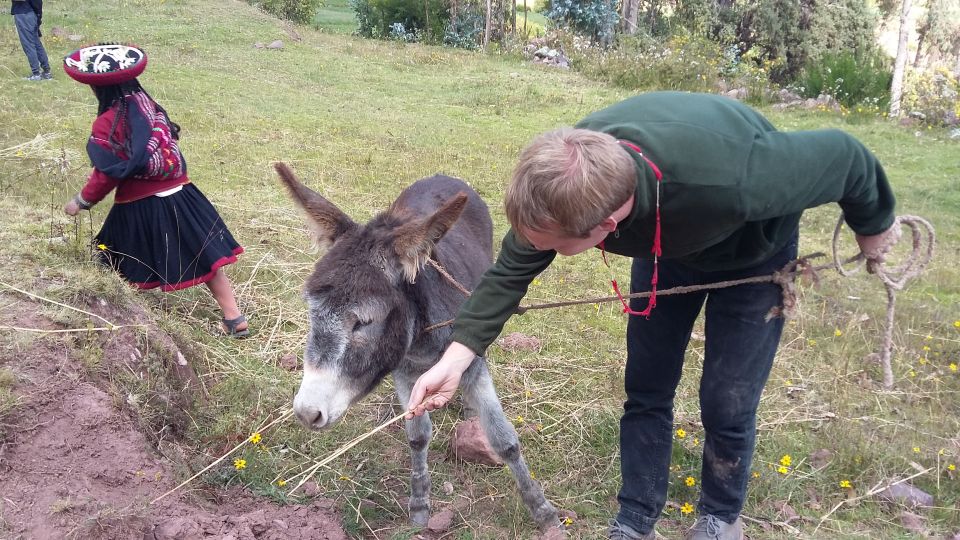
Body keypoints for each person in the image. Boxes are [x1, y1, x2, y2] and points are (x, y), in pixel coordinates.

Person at [405, 92, 899, 539]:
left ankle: (721, 517)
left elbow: (846, 156)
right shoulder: (563, 183)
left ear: (604, 228)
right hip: (665, 246)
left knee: (727, 398)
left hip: (751, 253)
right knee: (648, 384)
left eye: (545, 243)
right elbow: (510, 274)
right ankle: (636, 519)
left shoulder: (743, 180)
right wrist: (454, 360)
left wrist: (873, 226)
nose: (530, 248)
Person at [62, 44, 249, 338]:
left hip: (139, 203)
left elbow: (107, 172)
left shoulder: (108, 122)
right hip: (182, 194)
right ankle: (234, 317)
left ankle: (123, 314)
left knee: (109, 254)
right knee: (206, 258)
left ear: (97, 89)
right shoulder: (147, 104)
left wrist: (82, 200)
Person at [11, 0, 51, 80]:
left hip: (23, 14)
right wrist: (38, 15)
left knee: (28, 45)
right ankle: (46, 72)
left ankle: (36, 74)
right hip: (32, 13)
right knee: (36, 43)